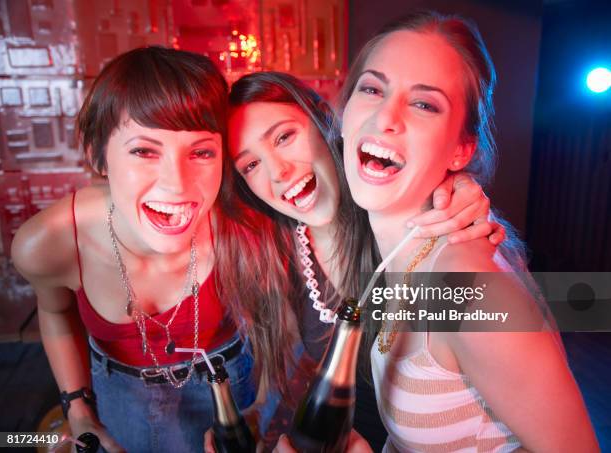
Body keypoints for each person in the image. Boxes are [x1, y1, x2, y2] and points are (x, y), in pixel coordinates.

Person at [335, 11, 598, 452]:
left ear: (461, 149)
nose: (386, 117)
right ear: (344, 111)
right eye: (373, 88)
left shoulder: (466, 288)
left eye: (424, 104)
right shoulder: (397, 258)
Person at [211, 70, 507, 451]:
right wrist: (253, 417)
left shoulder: (402, 224)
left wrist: (456, 185)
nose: (278, 172)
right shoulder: (276, 253)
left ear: (325, 122)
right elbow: (288, 379)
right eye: (250, 165)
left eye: (284, 137)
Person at [11, 46, 256, 453]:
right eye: (144, 151)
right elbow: (55, 311)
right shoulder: (49, 242)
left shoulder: (245, 224)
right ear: (98, 156)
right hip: (121, 392)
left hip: (233, 385)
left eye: (201, 152)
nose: (176, 183)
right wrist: (78, 407)